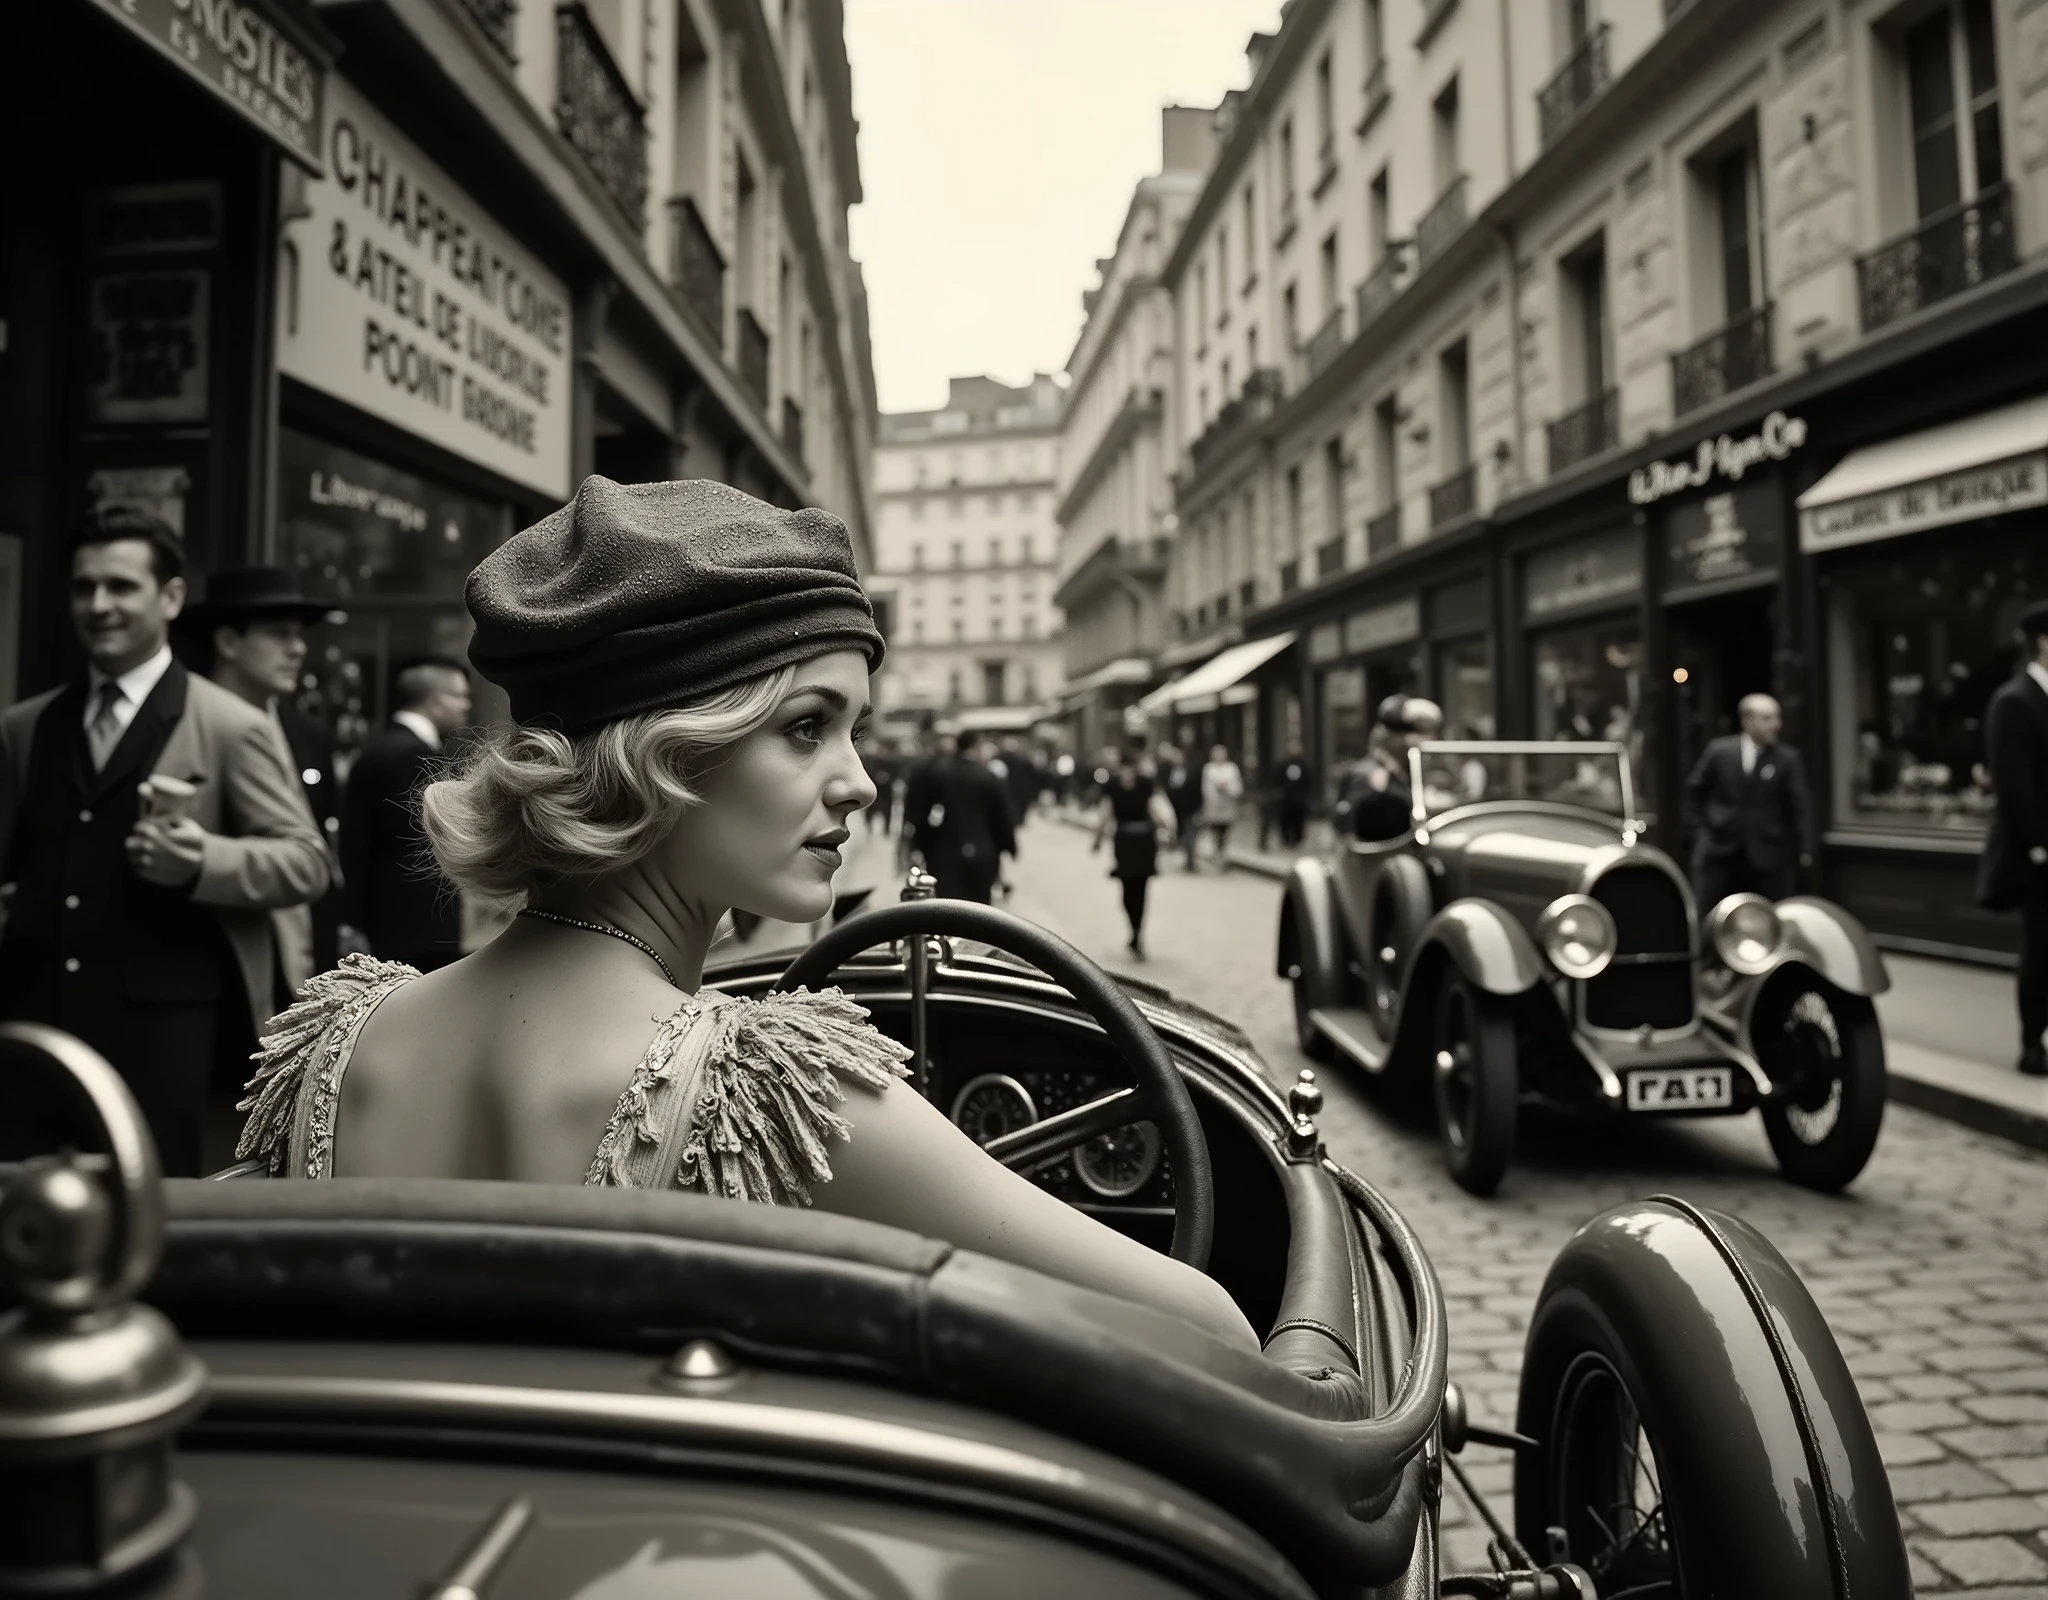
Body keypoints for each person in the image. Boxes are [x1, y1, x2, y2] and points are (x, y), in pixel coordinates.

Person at [233, 475, 1252, 1352]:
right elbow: (1209, 1333)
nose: (856, 783)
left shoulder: (334, 1041)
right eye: (806, 727)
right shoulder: (763, 1093)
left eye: (853, 729)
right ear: (665, 753)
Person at [0, 508, 329, 1175]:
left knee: (153, 1216)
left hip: (163, 1035)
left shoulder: (231, 725)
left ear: (171, 597)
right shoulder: (26, 726)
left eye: (121, 587)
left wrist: (203, 860)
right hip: (34, 1024)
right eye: (83, 588)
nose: (99, 605)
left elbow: (306, 862)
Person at [187, 566, 344, 981]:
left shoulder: (309, 736)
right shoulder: (183, 724)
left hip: (302, 975)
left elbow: (323, 860)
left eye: (299, 635)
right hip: (217, 968)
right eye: (279, 634)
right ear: (227, 641)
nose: (296, 649)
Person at [338, 657, 474, 971]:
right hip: (418, 928)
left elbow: (355, 844)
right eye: (459, 696)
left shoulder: (374, 751)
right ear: (436, 700)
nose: (465, 705)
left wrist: (351, 918)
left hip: (384, 921)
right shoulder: (416, 756)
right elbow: (426, 846)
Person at [1977, 601, 2048, 1077]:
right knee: (2041, 950)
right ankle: (2032, 1043)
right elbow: (2014, 783)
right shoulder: (2014, 700)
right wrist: (2040, 844)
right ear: (2042, 642)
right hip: (2038, 854)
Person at [1681, 692, 1815, 909]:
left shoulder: (1787, 758)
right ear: (1747, 721)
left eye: (1777, 717)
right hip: (1720, 850)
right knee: (1710, 914)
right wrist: (1700, 832)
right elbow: (1694, 792)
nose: (1776, 725)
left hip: (1767, 856)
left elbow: (1801, 807)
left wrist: (1806, 849)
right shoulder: (1719, 752)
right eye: (1767, 718)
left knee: (1770, 916)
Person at [904, 727, 1016, 903]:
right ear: (977, 746)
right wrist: (1009, 846)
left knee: (948, 910)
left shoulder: (937, 773)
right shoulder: (988, 776)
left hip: (943, 854)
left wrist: (922, 846)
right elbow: (1002, 818)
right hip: (982, 853)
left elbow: (921, 814)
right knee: (979, 913)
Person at [1334, 697, 1440, 842]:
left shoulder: (1404, 772)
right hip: (1380, 859)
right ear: (1395, 738)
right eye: (1417, 734)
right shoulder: (1368, 775)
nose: (1425, 741)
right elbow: (1351, 831)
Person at [1093, 749, 1161, 957]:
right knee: (1128, 889)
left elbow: (1156, 809)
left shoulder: (1144, 783)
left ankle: (1137, 932)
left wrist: (1166, 829)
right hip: (1127, 841)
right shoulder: (1112, 786)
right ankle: (1134, 929)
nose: (1127, 772)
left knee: (1140, 888)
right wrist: (1097, 838)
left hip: (1140, 840)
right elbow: (1106, 813)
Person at [1198, 744, 1245, 867]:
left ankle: (1222, 853)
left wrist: (1226, 788)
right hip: (1214, 806)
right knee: (1215, 830)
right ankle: (1216, 852)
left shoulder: (1232, 768)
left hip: (1228, 805)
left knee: (1225, 830)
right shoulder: (1208, 768)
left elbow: (1237, 787)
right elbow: (1205, 788)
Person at [1157, 742, 1200, 870]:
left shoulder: (1192, 772)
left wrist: (1199, 809)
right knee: (1179, 835)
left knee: (1190, 834)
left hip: (1189, 809)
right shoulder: (1166, 771)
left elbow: (1198, 791)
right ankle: (1183, 855)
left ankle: (1191, 861)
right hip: (1173, 810)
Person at [1271, 740, 1313, 849]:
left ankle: (1297, 840)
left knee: (1298, 820)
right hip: (1286, 798)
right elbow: (1277, 780)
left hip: (1299, 798)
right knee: (1285, 819)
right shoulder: (1283, 764)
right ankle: (1286, 840)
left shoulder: (1304, 765)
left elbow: (1308, 782)